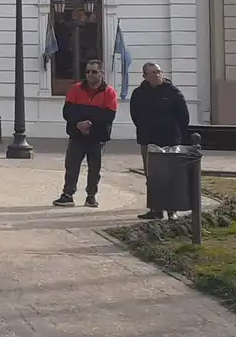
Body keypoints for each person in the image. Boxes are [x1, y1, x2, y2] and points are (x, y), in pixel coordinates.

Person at [129, 62, 191, 220]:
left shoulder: (173, 92)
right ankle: (155, 210)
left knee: (171, 176)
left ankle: (172, 210)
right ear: (145, 76)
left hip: (170, 141)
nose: (157, 75)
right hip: (149, 141)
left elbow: (184, 117)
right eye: (153, 72)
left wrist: (174, 133)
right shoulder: (139, 93)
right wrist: (146, 129)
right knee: (152, 177)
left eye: (159, 71)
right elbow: (135, 115)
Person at [55, 59, 117, 207]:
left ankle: (91, 196)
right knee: (71, 166)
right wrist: (78, 123)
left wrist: (90, 123)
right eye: (88, 71)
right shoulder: (75, 89)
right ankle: (68, 195)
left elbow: (108, 115)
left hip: (97, 137)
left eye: (94, 71)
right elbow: (67, 111)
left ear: (101, 73)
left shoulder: (109, 92)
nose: (90, 74)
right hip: (77, 135)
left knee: (94, 169)